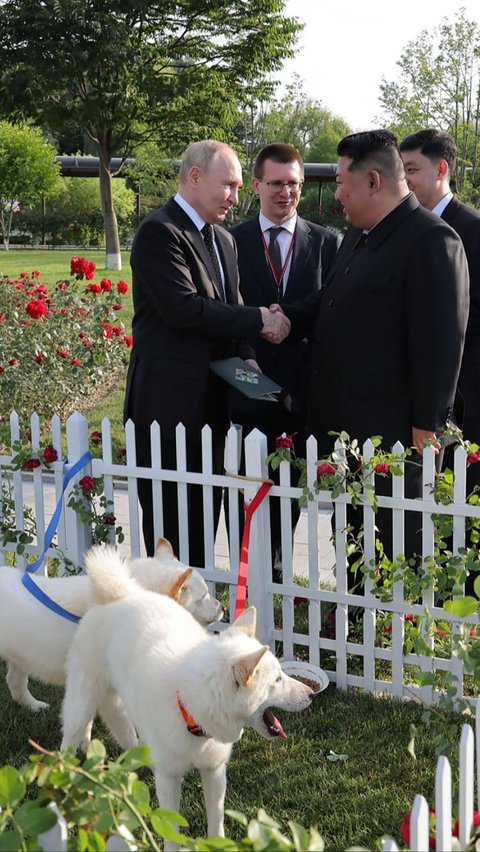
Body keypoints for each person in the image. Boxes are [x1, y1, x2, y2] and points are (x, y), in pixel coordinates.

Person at [284, 129, 470, 587]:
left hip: (395, 444)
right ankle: (356, 643)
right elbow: (331, 302)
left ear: (372, 181)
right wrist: (280, 319)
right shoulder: (359, 235)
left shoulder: (431, 241)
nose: (337, 196)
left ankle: (390, 652)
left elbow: (442, 342)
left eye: (343, 183)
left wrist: (426, 432)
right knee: (353, 546)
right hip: (350, 436)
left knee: (391, 555)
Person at [124, 139, 291, 565]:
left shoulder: (224, 240)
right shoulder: (159, 232)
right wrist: (260, 318)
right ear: (195, 177)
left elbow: (228, 311)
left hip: (214, 411)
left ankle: (198, 619)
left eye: (238, 188)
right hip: (167, 412)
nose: (236, 198)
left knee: (202, 525)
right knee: (170, 535)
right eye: (229, 186)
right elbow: (186, 310)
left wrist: (249, 355)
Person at [229, 142, 340, 578]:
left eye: (293, 183)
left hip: (299, 394)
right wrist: (246, 352)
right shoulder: (230, 241)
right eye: (275, 183)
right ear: (256, 185)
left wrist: (287, 321)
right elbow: (223, 306)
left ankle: (276, 575)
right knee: (244, 492)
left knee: (287, 495)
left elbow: (329, 309)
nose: (285, 192)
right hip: (244, 382)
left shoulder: (328, 243)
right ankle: (245, 575)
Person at [399, 129, 480, 478]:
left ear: (441, 169)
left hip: (466, 403)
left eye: (412, 170)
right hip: (412, 401)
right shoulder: (404, 228)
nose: (404, 180)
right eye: (401, 171)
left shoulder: (473, 229)